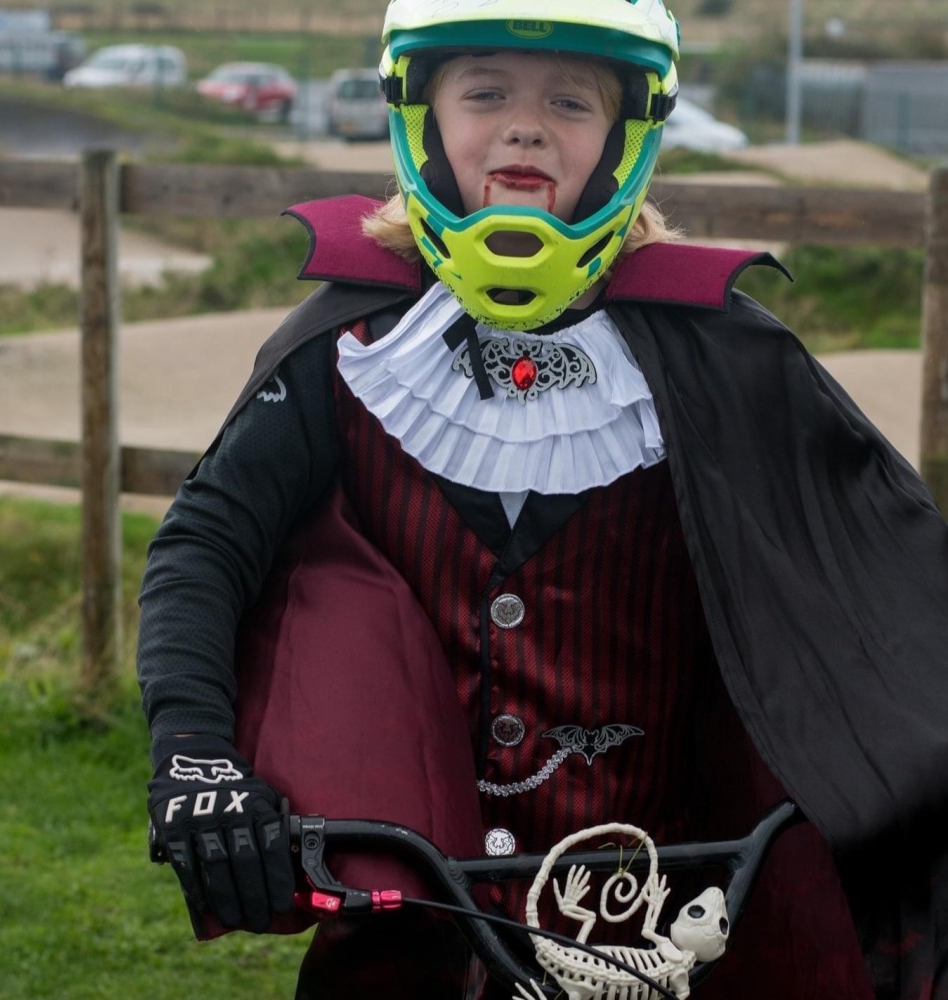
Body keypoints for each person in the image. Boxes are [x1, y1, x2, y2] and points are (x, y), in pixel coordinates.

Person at [138, 1, 948, 998]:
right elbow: (205, 544)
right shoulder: (346, 348)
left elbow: (884, 579)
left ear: (623, 139)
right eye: (484, 91)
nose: (525, 125)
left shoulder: (726, 355)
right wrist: (193, 756)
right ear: (421, 117)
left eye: (570, 99)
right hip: (414, 922)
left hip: (662, 929)